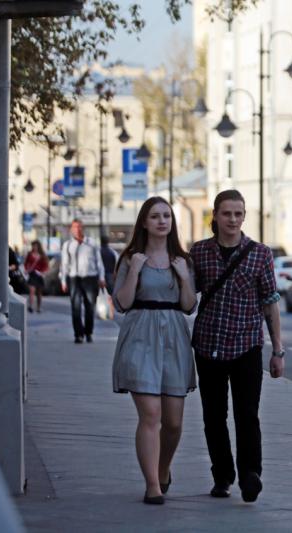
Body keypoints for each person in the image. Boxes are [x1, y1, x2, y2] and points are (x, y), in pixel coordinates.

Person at [190, 189, 285, 503]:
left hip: (247, 345)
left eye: (239, 213)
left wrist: (278, 351)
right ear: (215, 216)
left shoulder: (260, 253)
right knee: (213, 415)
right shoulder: (200, 252)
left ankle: (249, 475)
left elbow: (270, 304)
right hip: (208, 347)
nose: (233, 219)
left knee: (247, 414)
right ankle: (222, 475)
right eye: (227, 213)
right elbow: (188, 299)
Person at [111, 196, 197, 505]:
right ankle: (152, 486)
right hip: (140, 335)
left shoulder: (183, 261)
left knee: (173, 422)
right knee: (151, 414)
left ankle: (162, 470)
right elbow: (121, 303)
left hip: (174, 336)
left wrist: (185, 278)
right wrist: (135, 270)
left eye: (167, 216)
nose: (162, 221)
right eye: (155, 216)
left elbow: (188, 306)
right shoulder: (130, 258)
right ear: (144, 222)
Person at [60, 220, 106, 343]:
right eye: (75, 227)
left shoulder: (92, 243)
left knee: (90, 307)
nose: (77, 230)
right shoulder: (68, 245)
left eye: (79, 227)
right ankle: (78, 335)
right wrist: (63, 280)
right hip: (74, 278)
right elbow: (64, 264)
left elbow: (99, 261)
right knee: (75, 307)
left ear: (83, 228)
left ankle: (89, 333)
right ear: (71, 229)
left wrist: (101, 278)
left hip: (90, 278)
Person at [24, 240, 49, 313]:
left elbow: (46, 265)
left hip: (39, 275)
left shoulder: (42, 255)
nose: (34, 247)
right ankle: (30, 306)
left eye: (35, 246)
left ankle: (38, 308)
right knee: (31, 291)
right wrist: (26, 269)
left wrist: (43, 272)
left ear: (38, 246)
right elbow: (26, 263)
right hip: (32, 274)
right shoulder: (30, 254)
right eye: (33, 246)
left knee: (39, 293)